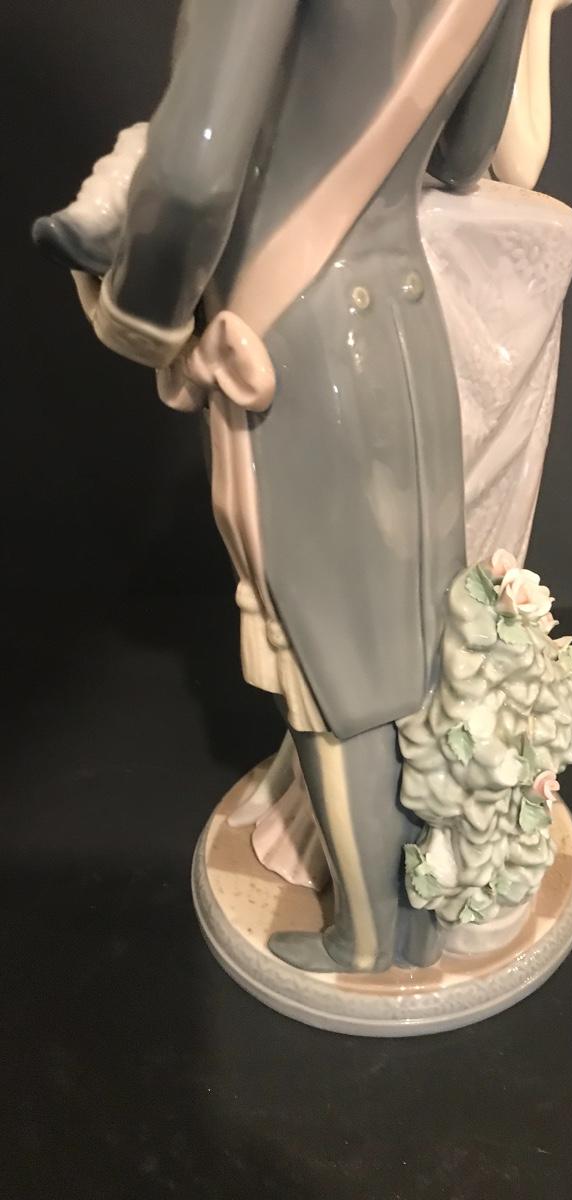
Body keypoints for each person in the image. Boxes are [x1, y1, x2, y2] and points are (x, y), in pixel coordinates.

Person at [34, 0, 532, 974]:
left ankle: (371, 939)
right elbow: (468, 153)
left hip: (290, 341)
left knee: (320, 655)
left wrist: (140, 319)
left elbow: (190, 173)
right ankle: (421, 910)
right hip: (406, 321)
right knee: (407, 642)